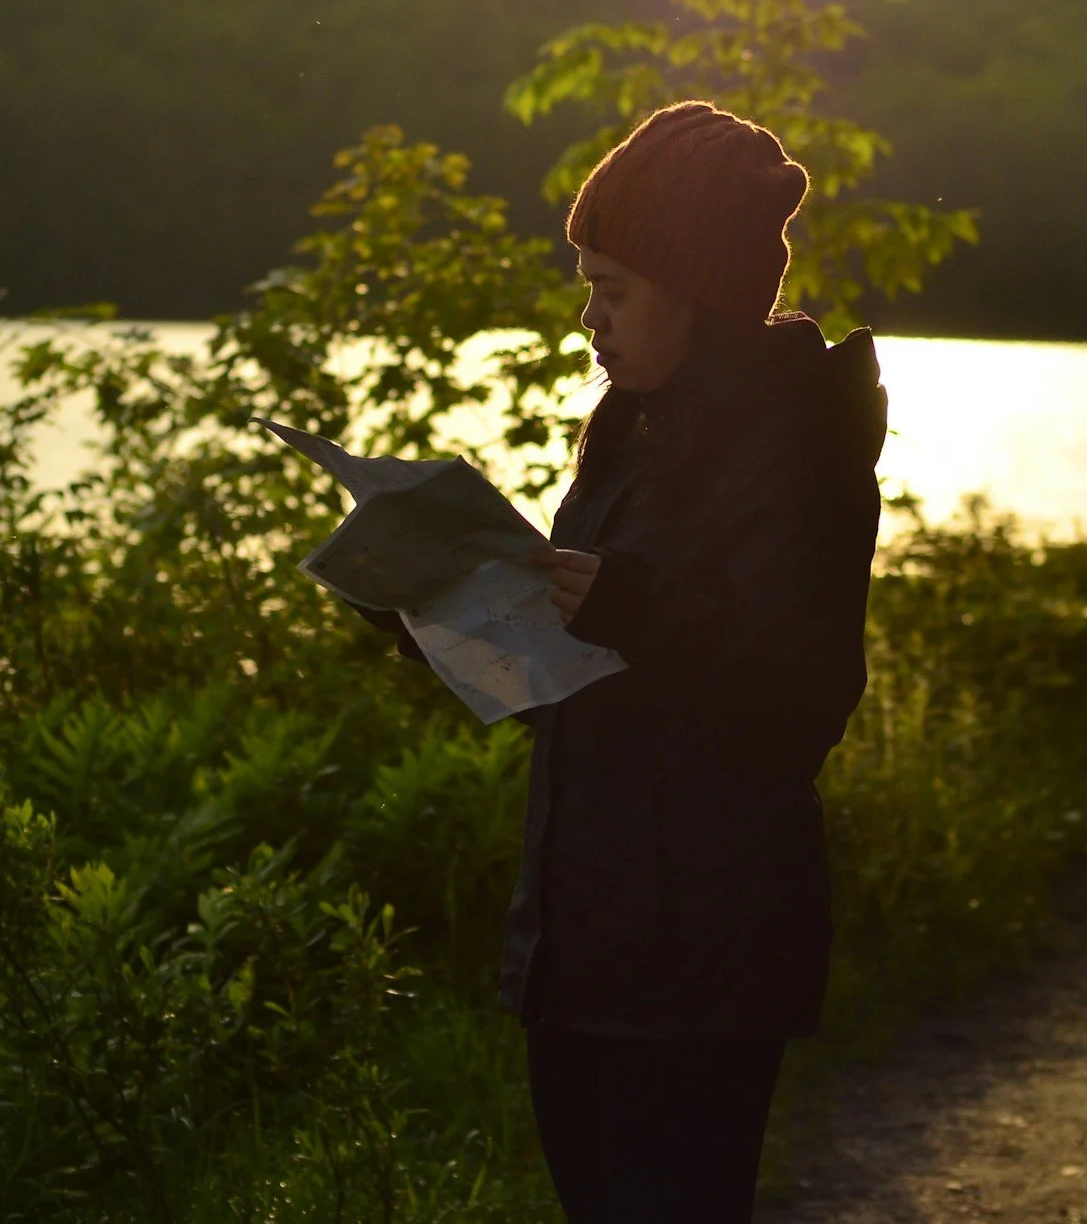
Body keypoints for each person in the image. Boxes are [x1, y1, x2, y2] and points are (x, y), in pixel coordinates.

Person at [369, 100, 886, 1221]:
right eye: (585, 286)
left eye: (613, 290)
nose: (587, 319)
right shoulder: (631, 435)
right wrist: (436, 612)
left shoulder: (795, 448)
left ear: (695, 292)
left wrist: (637, 609)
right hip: (583, 936)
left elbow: (798, 707)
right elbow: (580, 673)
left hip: (701, 952)